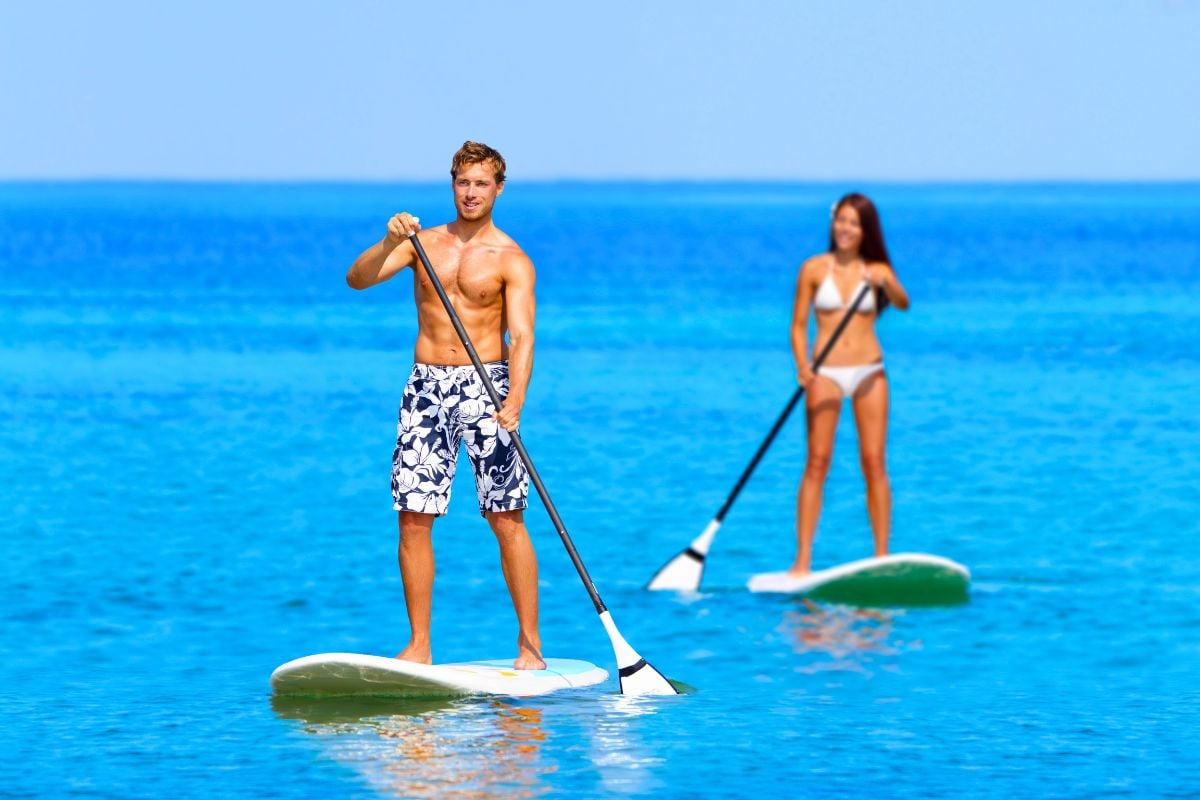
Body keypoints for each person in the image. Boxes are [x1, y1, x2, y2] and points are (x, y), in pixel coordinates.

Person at [345, 141, 544, 670]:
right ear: (452, 185)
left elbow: (522, 336)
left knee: (506, 517)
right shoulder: (421, 243)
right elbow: (357, 279)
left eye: (481, 183)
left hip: (489, 388)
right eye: (463, 182)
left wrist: (516, 397)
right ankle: (419, 645)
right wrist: (386, 240)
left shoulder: (512, 259)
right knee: (413, 517)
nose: (471, 192)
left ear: (498, 189)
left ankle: (530, 645)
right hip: (427, 386)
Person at [788, 193, 910, 575]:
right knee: (817, 463)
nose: (845, 228)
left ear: (865, 230)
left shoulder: (876, 271)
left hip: (869, 371)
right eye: (841, 220)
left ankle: (881, 556)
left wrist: (887, 282)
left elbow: (903, 304)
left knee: (874, 462)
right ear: (832, 223)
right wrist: (802, 365)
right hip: (824, 373)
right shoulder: (812, 269)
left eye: (854, 223)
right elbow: (797, 325)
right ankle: (803, 561)